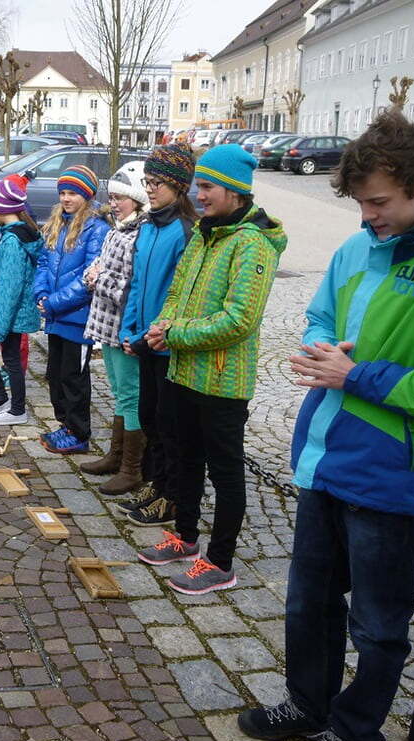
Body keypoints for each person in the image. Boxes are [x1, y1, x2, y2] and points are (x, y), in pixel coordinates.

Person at [237, 112, 414, 741]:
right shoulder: (358, 247)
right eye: (359, 202)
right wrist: (321, 345)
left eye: (379, 202)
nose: (366, 216)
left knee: (378, 624)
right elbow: (319, 315)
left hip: (387, 475)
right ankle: (308, 705)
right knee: (309, 603)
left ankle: (356, 730)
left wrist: (355, 375)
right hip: (322, 459)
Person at [136, 144, 285, 594]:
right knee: (184, 459)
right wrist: (163, 325)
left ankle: (220, 562)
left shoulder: (252, 244)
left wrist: (175, 334)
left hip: (223, 382)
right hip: (183, 373)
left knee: (225, 472)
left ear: (234, 191)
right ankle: (185, 537)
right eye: (198, 186)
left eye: (206, 187)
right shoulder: (204, 233)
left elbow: (239, 320)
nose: (198, 195)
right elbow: (177, 292)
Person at [116, 144, 198, 526]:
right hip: (145, 342)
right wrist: (130, 329)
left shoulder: (185, 231)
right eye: (147, 182)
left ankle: (170, 496)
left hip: (167, 346)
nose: (149, 189)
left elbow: (180, 293)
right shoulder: (148, 227)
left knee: (169, 426)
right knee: (149, 418)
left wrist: (155, 334)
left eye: (157, 183)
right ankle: (156, 482)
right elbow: (136, 284)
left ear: (178, 186)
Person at [79, 161, 150, 495]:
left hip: (123, 328)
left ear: (138, 200)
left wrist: (99, 278)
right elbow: (97, 267)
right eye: (112, 197)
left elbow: (131, 286)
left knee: (130, 395)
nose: (114, 203)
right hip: (105, 326)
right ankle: (116, 455)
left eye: (121, 197)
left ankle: (131, 468)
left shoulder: (140, 234)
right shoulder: (117, 229)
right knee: (120, 393)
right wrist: (94, 275)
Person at [34, 165, 110, 454]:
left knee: (73, 378)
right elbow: (44, 263)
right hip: (56, 316)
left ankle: (78, 432)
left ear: (86, 196)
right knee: (55, 374)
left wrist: (54, 302)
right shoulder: (58, 223)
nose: (66, 198)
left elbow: (89, 277)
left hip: (78, 318)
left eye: (73, 193)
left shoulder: (97, 229)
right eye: (63, 193)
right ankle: (65, 425)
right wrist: (41, 293)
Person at [0, 175, 42, 425]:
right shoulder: (10, 234)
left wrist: (0, 324)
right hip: (5, 312)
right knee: (5, 356)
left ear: (2, 209)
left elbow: (10, 288)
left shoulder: (13, 241)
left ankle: (17, 410)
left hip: (9, 313)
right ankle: (2, 401)